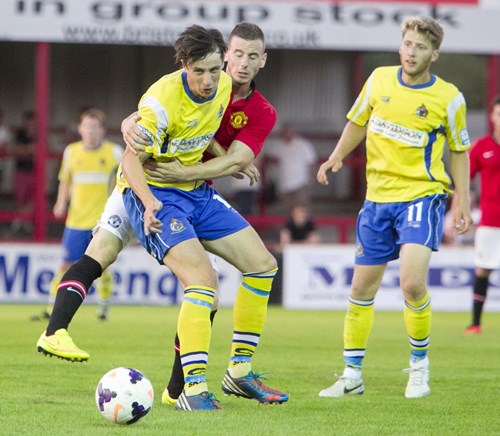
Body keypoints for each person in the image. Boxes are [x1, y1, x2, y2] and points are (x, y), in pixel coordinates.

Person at [37, 23, 287, 411]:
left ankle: (235, 373)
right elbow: (130, 158)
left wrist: (225, 159)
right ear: (185, 65)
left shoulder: (226, 89)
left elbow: (205, 131)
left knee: (263, 265)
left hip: (195, 192)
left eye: (215, 69)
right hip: (152, 193)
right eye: (200, 70)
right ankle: (192, 389)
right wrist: (150, 200)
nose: (209, 79)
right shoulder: (159, 102)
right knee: (202, 282)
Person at [316, 15, 472, 399]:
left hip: (422, 195)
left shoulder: (449, 98)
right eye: (406, 44)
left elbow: (459, 151)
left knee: (412, 282)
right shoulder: (379, 80)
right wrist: (336, 157)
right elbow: (357, 122)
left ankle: (419, 368)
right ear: (400, 45)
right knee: (361, 288)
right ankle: (352, 375)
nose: (410, 52)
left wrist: (462, 202)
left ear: (433, 54)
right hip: (377, 200)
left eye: (420, 47)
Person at [32, 108, 122, 322]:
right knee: (64, 265)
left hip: (103, 222)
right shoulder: (71, 152)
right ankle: (51, 307)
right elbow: (66, 180)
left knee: (104, 265)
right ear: (80, 128)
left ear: (102, 130)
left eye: (95, 127)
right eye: (87, 126)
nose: (90, 131)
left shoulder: (114, 153)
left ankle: (103, 310)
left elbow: (123, 183)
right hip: (76, 221)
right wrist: (60, 202)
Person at [464, 95, 500, 335]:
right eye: (499, 114)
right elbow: (463, 180)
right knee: (483, 269)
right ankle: (475, 324)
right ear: (492, 116)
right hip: (490, 219)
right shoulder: (481, 146)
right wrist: (461, 211)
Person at [266, 123, 317, 213]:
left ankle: (304, 227)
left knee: (301, 209)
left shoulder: (303, 144)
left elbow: (310, 162)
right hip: (284, 184)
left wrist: (308, 177)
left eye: (288, 132)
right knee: (286, 210)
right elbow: (273, 161)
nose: (286, 134)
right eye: (284, 132)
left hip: (300, 183)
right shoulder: (278, 146)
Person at [11, 110, 36, 234]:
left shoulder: (38, 135)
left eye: (33, 121)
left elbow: (42, 150)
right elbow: (17, 150)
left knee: (34, 199)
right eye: (29, 121)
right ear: (26, 122)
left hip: (36, 171)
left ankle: (19, 220)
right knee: (20, 198)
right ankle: (23, 222)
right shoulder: (20, 134)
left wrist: (28, 150)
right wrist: (29, 150)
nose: (31, 124)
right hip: (21, 170)